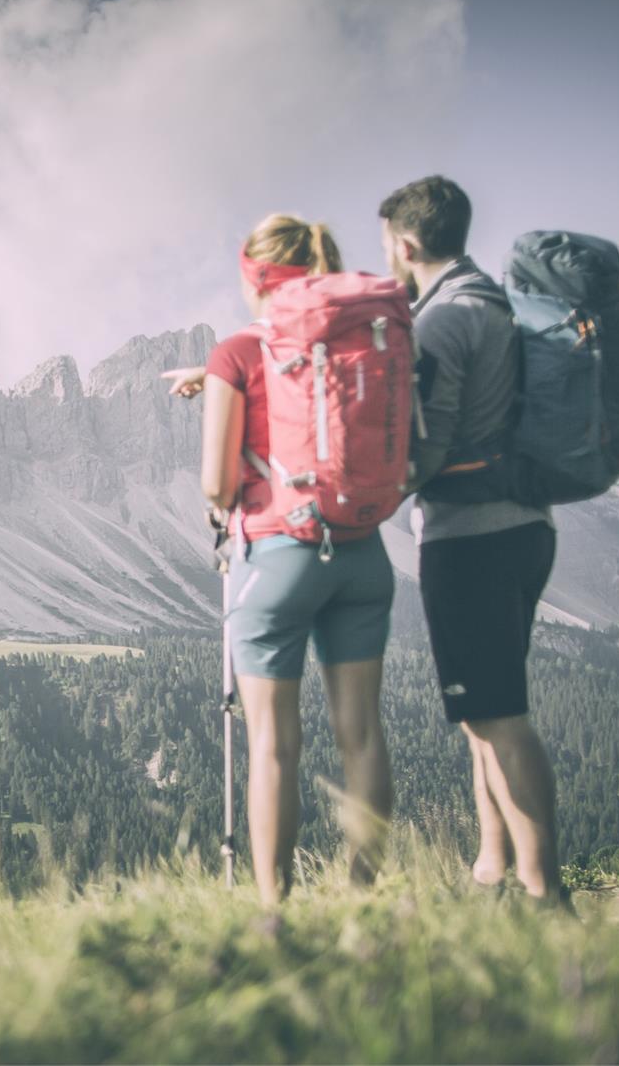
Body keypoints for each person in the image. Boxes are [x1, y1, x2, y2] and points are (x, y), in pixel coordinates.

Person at [161, 214, 396, 907]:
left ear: (254, 276)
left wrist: (220, 385)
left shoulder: (235, 353)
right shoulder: (361, 342)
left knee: (273, 746)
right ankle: (362, 898)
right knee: (362, 735)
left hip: (278, 559)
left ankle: (274, 910)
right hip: (363, 552)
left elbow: (217, 484)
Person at [377, 175, 566, 905]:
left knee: (499, 717)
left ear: (406, 242)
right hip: (525, 524)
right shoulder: (495, 303)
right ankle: (492, 871)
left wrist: (371, 497)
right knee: (482, 715)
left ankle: (545, 892)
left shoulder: (442, 321)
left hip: (469, 536)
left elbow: (428, 443)